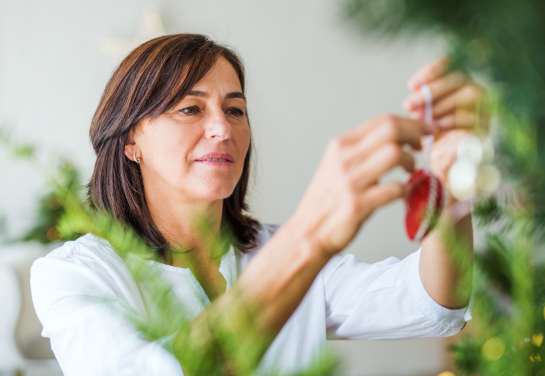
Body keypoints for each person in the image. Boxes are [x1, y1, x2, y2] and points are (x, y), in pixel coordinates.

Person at [30, 34, 479, 376]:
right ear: (131, 140)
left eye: (235, 110)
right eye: (190, 109)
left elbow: (433, 304)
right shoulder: (73, 273)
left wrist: (450, 181)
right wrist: (310, 236)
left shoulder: (275, 248)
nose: (222, 129)